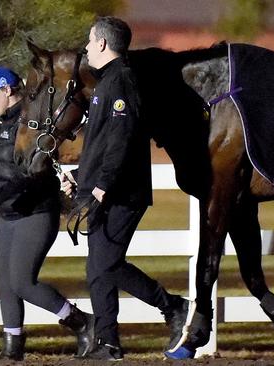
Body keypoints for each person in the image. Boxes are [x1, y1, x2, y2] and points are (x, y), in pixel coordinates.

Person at [61, 16, 191, 361]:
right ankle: (108, 343)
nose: (87, 47)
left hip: (120, 192)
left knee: (105, 264)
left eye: (90, 41)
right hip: (104, 189)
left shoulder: (121, 81)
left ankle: (174, 306)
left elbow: (123, 140)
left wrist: (102, 186)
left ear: (102, 44)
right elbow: (102, 144)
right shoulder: (108, 83)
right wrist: (80, 175)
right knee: (97, 268)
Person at [0, 66, 94, 361]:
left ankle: (83, 323)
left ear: (7, 90)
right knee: (5, 282)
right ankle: (13, 346)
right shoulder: (3, 126)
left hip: (35, 211)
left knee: (22, 281)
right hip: (9, 214)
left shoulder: (29, 125)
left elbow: (29, 174)